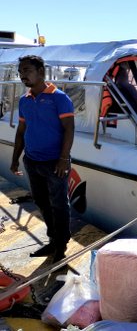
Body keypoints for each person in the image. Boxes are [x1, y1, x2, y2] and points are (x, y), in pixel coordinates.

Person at [10, 55, 75, 262]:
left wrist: (63, 159)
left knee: (58, 204)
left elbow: (69, 129)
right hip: (32, 160)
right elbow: (21, 131)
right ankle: (54, 240)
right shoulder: (24, 100)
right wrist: (15, 159)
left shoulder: (59, 98)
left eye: (27, 70)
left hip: (55, 162)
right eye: (20, 72)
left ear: (41, 72)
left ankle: (61, 246)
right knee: (41, 201)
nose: (22, 76)